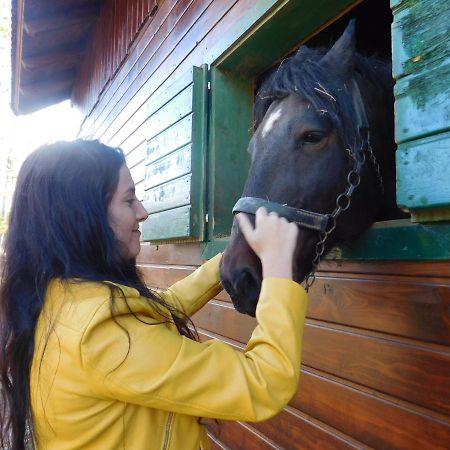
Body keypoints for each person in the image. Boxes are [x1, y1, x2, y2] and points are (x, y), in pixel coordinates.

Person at [0, 140, 308, 450]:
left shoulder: (63, 298)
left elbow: (155, 313)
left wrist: (226, 261)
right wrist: (280, 268)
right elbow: (265, 381)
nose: (143, 212)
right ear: (84, 217)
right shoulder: (103, 334)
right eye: (129, 200)